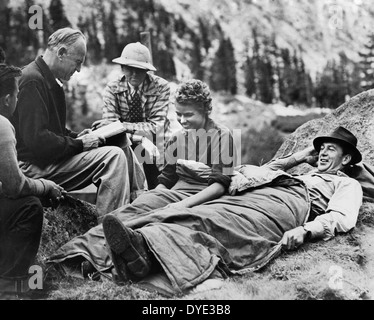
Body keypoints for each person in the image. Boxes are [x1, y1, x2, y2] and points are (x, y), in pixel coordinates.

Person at [99, 126, 363, 295]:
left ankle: (144, 255)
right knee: (201, 212)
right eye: (322, 149)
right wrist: (300, 157)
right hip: (258, 194)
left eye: (331, 149)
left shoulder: (346, 183)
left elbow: (342, 217)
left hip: (289, 205)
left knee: (219, 222)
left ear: (347, 158)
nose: (324, 154)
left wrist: (307, 230)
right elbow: (265, 171)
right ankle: (141, 248)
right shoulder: (303, 173)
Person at [46, 79, 237, 279]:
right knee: (134, 210)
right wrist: (152, 197)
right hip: (173, 193)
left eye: (189, 115)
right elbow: (167, 178)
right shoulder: (177, 138)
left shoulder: (223, 136)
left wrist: (182, 205)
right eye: (178, 114)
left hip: (203, 196)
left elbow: (218, 186)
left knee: (163, 221)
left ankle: (118, 259)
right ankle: (76, 255)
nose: (182, 120)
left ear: (206, 110)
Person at [11, 28, 146, 222]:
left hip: (46, 161)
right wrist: (81, 144)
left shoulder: (47, 79)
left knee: (121, 143)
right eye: (78, 62)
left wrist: (79, 136)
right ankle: (105, 233)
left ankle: (139, 207)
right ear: (61, 53)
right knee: (112, 157)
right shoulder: (32, 80)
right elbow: (37, 142)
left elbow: (53, 131)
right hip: (32, 167)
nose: (79, 69)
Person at [0, 64, 65, 297]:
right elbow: (15, 186)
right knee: (28, 206)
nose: (18, 99)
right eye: (17, 94)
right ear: (8, 99)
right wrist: (46, 186)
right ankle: (10, 283)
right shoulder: (3, 125)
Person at [93, 42, 176, 189]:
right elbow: (109, 130)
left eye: (140, 70)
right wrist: (138, 138)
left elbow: (156, 127)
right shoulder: (112, 89)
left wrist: (122, 126)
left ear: (147, 70)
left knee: (160, 185)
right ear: (122, 68)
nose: (134, 74)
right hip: (128, 142)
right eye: (130, 69)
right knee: (119, 170)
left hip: (158, 143)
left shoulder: (161, 87)